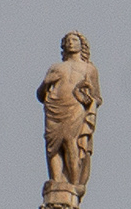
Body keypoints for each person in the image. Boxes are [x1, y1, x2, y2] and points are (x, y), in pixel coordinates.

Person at [39, 34, 102, 193]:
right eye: (67, 41)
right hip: (54, 107)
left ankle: (73, 184)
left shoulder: (89, 69)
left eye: (74, 40)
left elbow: (97, 98)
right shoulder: (56, 67)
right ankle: (56, 180)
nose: (70, 43)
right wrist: (46, 83)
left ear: (82, 45)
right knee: (53, 147)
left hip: (74, 107)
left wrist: (88, 99)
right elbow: (40, 94)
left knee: (69, 141)